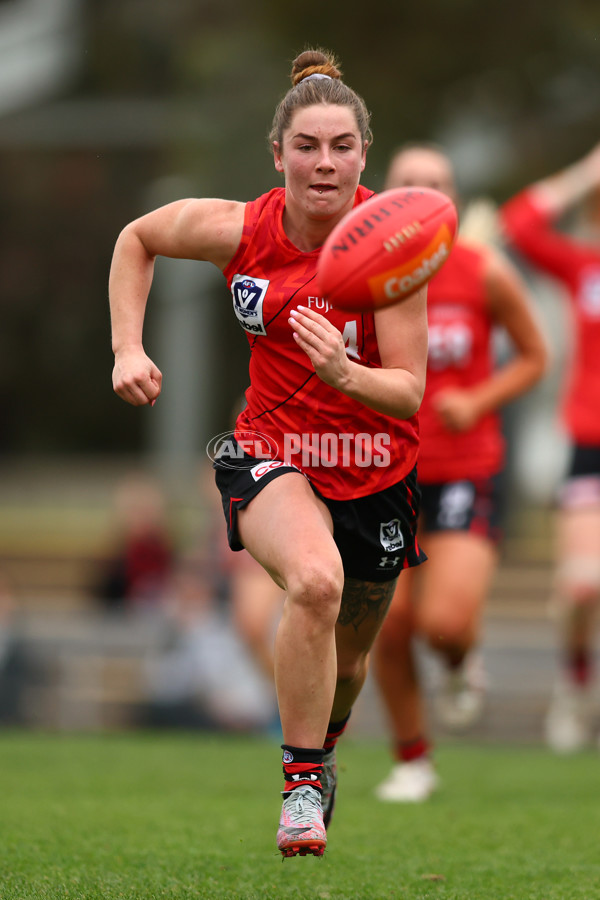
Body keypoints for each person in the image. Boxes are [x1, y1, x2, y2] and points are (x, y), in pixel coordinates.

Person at [109, 49, 429, 857]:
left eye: (343, 146)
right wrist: (126, 349)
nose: (325, 162)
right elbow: (136, 238)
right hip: (271, 453)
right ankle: (298, 788)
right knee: (314, 583)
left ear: (364, 155)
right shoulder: (239, 230)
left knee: (351, 663)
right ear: (277, 152)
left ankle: (320, 757)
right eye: (309, 145)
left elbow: (409, 393)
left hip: (375, 474)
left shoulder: (395, 248)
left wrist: (343, 371)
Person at [373, 144, 549, 801]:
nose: (420, 194)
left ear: (450, 199)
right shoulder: (359, 275)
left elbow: (536, 356)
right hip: (386, 473)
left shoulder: (481, 270)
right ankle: (413, 759)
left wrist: (476, 401)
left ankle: (460, 658)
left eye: (435, 184)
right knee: (387, 627)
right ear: (385, 196)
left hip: (466, 469)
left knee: (441, 625)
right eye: (407, 183)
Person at [501, 142, 600, 753]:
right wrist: (584, 173)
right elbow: (519, 224)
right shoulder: (584, 266)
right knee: (580, 586)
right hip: (590, 439)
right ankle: (573, 683)